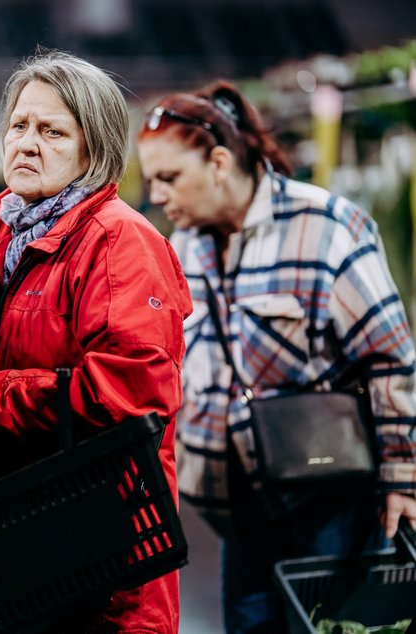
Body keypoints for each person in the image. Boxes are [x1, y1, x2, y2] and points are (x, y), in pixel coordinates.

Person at [0, 49, 192, 634]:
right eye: (19, 126)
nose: (26, 143)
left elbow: (130, 397)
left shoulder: (120, 243)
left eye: (53, 131)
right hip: (1, 548)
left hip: (96, 570)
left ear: (96, 148)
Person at [136, 80, 416, 633]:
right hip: (233, 503)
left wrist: (402, 478)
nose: (158, 195)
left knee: (321, 623)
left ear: (218, 162)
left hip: (326, 497)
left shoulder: (327, 228)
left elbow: (389, 360)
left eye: (169, 178)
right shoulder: (188, 244)